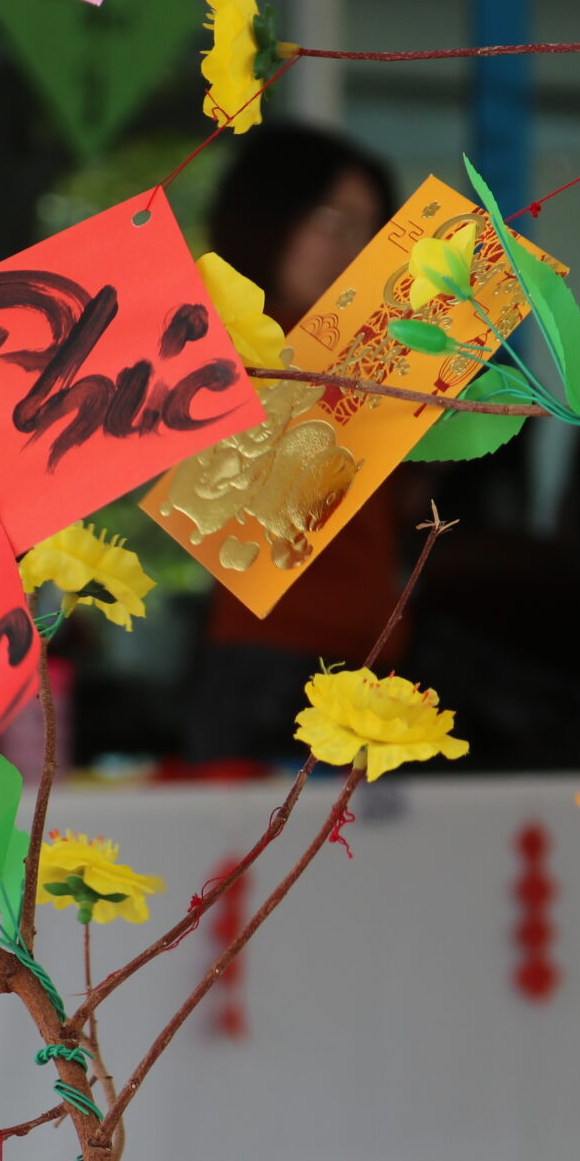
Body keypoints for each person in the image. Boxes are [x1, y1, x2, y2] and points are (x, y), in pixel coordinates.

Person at [177, 124, 411, 763]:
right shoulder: (227, 351)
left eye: (372, 233)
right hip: (271, 667)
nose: (354, 250)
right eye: (334, 222)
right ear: (268, 218)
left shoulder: (366, 361)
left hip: (365, 667)